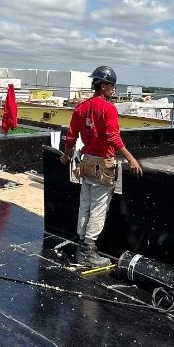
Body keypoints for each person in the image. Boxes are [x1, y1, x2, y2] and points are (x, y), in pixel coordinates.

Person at [59, 65, 143, 263]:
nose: (113, 90)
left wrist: (65, 155)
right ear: (104, 86)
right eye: (111, 86)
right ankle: (88, 251)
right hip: (102, 166)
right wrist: (131, 159)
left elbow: (71, 137)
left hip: (86, 163)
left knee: (85, 204)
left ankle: (82, 244)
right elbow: (113, 138)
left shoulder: (81, 108)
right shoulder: (108, 109)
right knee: (98, 208)